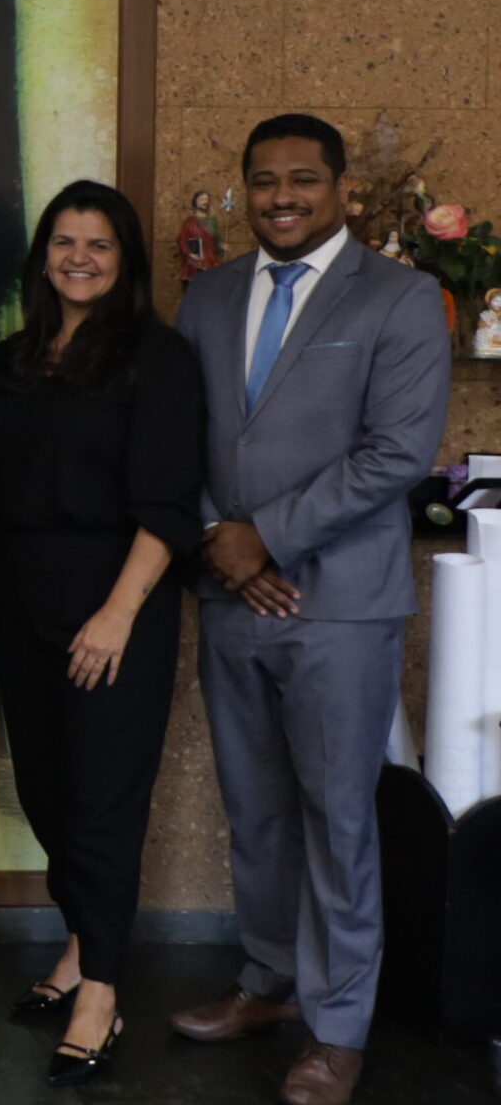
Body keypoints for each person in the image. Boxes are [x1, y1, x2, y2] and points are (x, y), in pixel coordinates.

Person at [170, 114, 449, 1105]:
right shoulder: (204, 297)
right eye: (262, 181)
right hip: (229, 592)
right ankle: (269, 982)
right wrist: (219, 539)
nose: (279, 197)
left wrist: (268, 536)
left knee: (336, 820)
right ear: (243, 188)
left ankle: (338, 1027)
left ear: (339, 192)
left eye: (300, 180)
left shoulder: (402, 297)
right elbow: (177, 435)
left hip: (337, 605)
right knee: (255, 814)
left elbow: (397, 453)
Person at [0, 181, 204, 1086]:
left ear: (125, 261)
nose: (79, 257)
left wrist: (117, 615)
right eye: (63, 242)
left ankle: (102, 992)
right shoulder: (14, 357)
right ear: (43, 257)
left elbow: (168, 505)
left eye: (99, 245)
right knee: (46, 793)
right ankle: (81, 944)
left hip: (115, 603)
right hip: (18, 599)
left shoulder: (159, 358)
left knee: (105, 803)